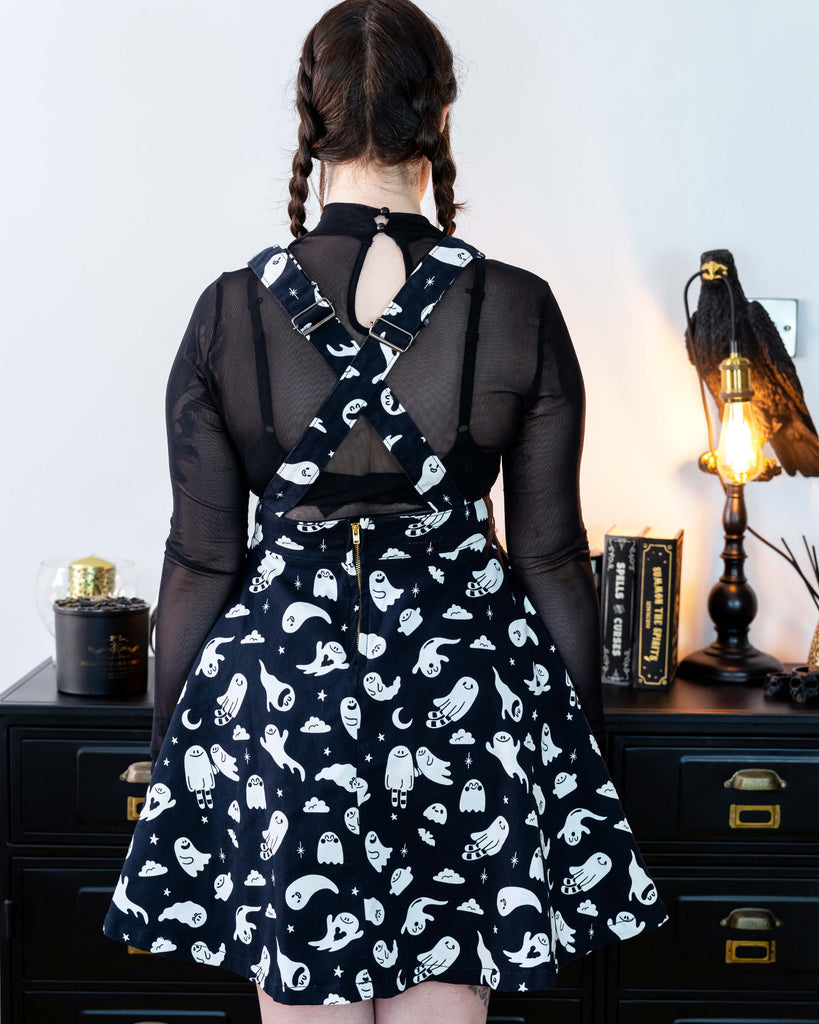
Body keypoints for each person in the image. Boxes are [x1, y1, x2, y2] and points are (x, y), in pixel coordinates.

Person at [103, 1, 669, 1020]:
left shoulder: (229, 310)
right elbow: (551, 561)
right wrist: (575, 754)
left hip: (286, 710)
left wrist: (172, 751)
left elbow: (199, 562)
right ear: (440, 119)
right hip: (467, 707)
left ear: (308, 120)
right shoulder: (518, 307)